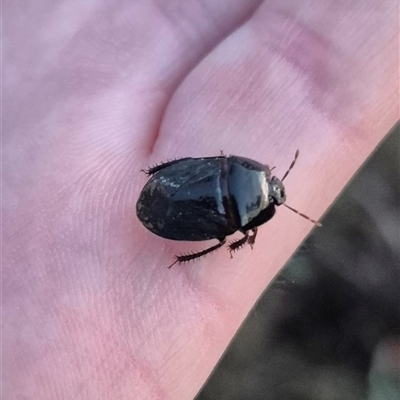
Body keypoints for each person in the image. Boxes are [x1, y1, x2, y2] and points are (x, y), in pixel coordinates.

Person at [4, 1, 398, 398]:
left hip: (184, 186)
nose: (275, 186)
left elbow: (217, 165)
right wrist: (246, 235)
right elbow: (237, 210)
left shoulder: (238, 172)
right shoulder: (241, 216)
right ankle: (181, 254)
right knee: (226, 239)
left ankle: (166, 216)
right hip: (198, 204)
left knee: (223, 222)